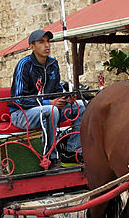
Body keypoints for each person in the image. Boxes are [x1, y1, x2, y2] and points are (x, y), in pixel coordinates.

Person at [10, 29, 85, 168]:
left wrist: (64, 97)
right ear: (32, 46)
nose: (47, 45)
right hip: (21, 114)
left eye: (48, 41)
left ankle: (72, 151)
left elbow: (56, 90)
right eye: (41, 42)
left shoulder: (53, 63)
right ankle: (50, 156)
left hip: (48, 110)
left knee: (80, 106)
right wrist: (49, 102)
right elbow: (19, 99)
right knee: (51, 110)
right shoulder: (24, 65)